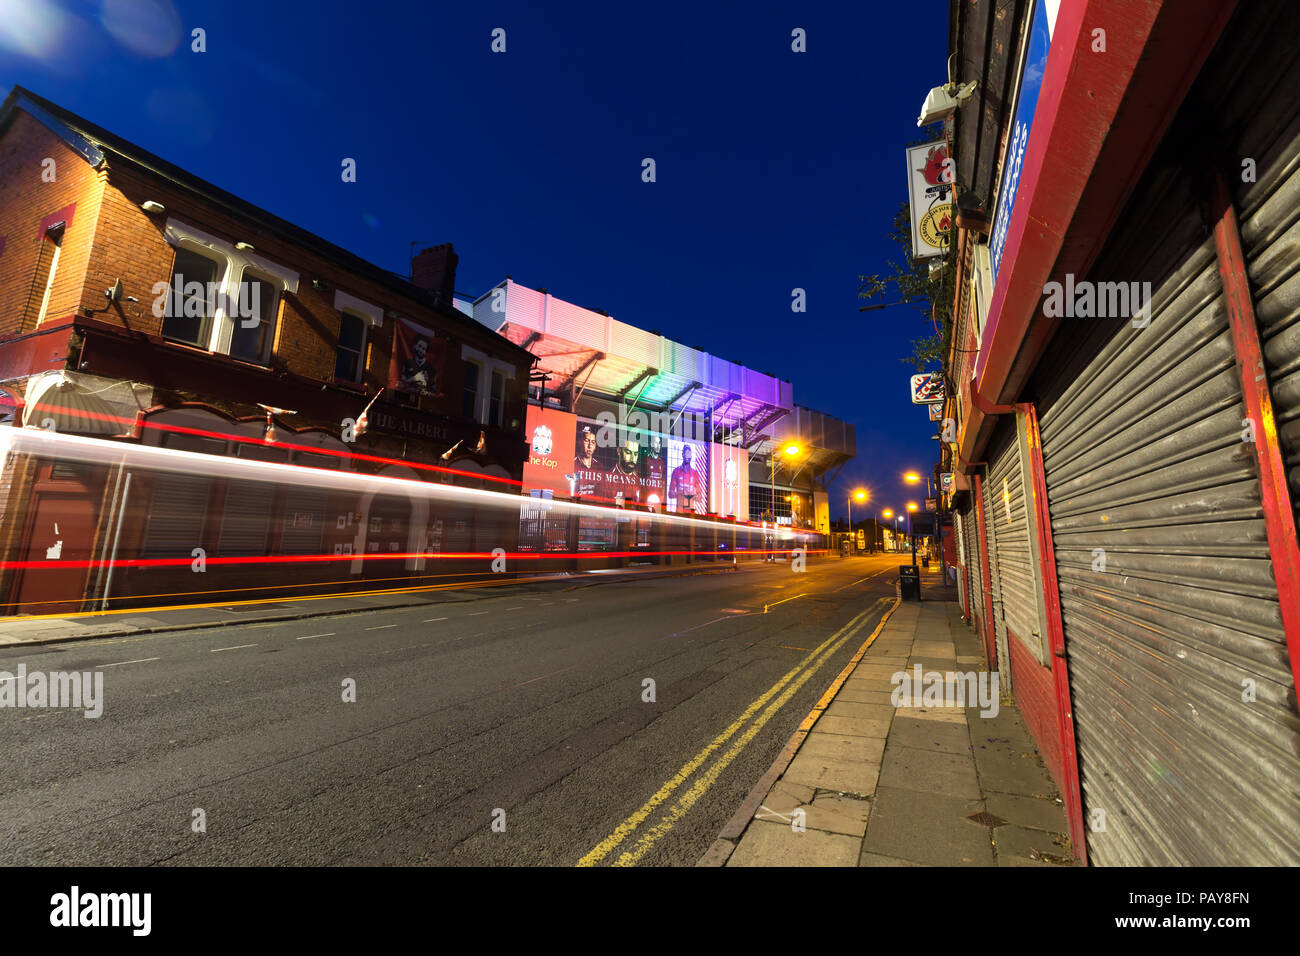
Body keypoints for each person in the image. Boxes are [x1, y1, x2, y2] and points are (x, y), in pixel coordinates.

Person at [669, 444, 704, 513]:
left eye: (689, 454)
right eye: (686, 454)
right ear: (682, 455)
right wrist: (681, 494)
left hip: (690, 512)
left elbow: (700, 497)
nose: (687, 456)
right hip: (679, 511)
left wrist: (690, 495)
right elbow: (670, 493)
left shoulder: (695, 473)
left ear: (691, 456)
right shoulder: (676, 471)